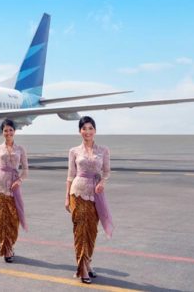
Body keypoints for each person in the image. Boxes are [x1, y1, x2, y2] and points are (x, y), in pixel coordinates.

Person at [65, 116, 114, 284]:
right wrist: (66, 198)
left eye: (90, 128)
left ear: (95, 130)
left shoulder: (103, 150)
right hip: (77, 193)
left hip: (96, 195)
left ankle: (87, 262)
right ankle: (83, 269)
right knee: (80, 232)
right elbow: (70, 175)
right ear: (80, 131)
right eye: (84, 128)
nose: (87, 131)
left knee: (92, 232)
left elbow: (107, 171)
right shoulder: (74, 151)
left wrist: (102, 182)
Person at [0, 119, 28, 263]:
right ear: (2, 132)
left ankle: (10, 243)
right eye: (6, 130)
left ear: (14, 132)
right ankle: (5, 248)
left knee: (13, 218)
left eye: (11, 130)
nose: (8, 133)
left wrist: (19, 181)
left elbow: (25, 170)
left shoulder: (20, 149)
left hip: (13, 187)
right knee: (0, 218)